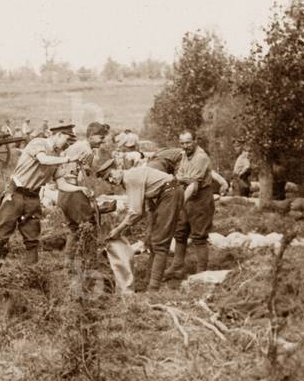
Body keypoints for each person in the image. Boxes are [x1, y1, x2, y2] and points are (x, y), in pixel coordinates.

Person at [0, 127, 75, 268]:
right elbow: (43, 159)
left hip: (33, 197)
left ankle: (32, 274)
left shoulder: (57, 156)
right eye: (67, 139)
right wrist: (68, 159)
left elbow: (62, 184)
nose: (68, 143)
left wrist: (80, 189)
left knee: (32, 238)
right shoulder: (39, 143)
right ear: (58, 135)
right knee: (1, 236)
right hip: (15, 194)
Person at [103, 163, 183, 292]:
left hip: (170, 193)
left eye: (111, 175)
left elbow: (136, 212)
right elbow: (142, 209)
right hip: (163, 195)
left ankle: (153, 289)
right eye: (107, 179)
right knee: (152, 241)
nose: (111, 180)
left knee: (160, 243)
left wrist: (119, 229)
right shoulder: (128, 178)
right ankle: (148, 282)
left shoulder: (130, 179)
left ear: (119, 169)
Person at [55, 122, 112, 259]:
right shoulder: (87, 151)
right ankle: (90, 262)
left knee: (74, 230)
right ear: (91, 136)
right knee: (89, 226)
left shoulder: (76, 146)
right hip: (73, 192)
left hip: (63, 193)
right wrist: (88, 193)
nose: (103, 141)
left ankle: (68, 263)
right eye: (101, 138)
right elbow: (80, 177)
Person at [165, 130, 215, 280]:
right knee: (180, 231)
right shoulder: (184, 155)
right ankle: (177, 265)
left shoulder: (200, 157)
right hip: (187, 195)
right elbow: (179, 176)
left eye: (188, 142)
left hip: (200, 198)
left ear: (195, 141)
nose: (185, 146)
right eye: (182, 143)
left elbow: (193, 185)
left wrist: (178, 204)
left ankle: (202, 271)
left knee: (199, 235)